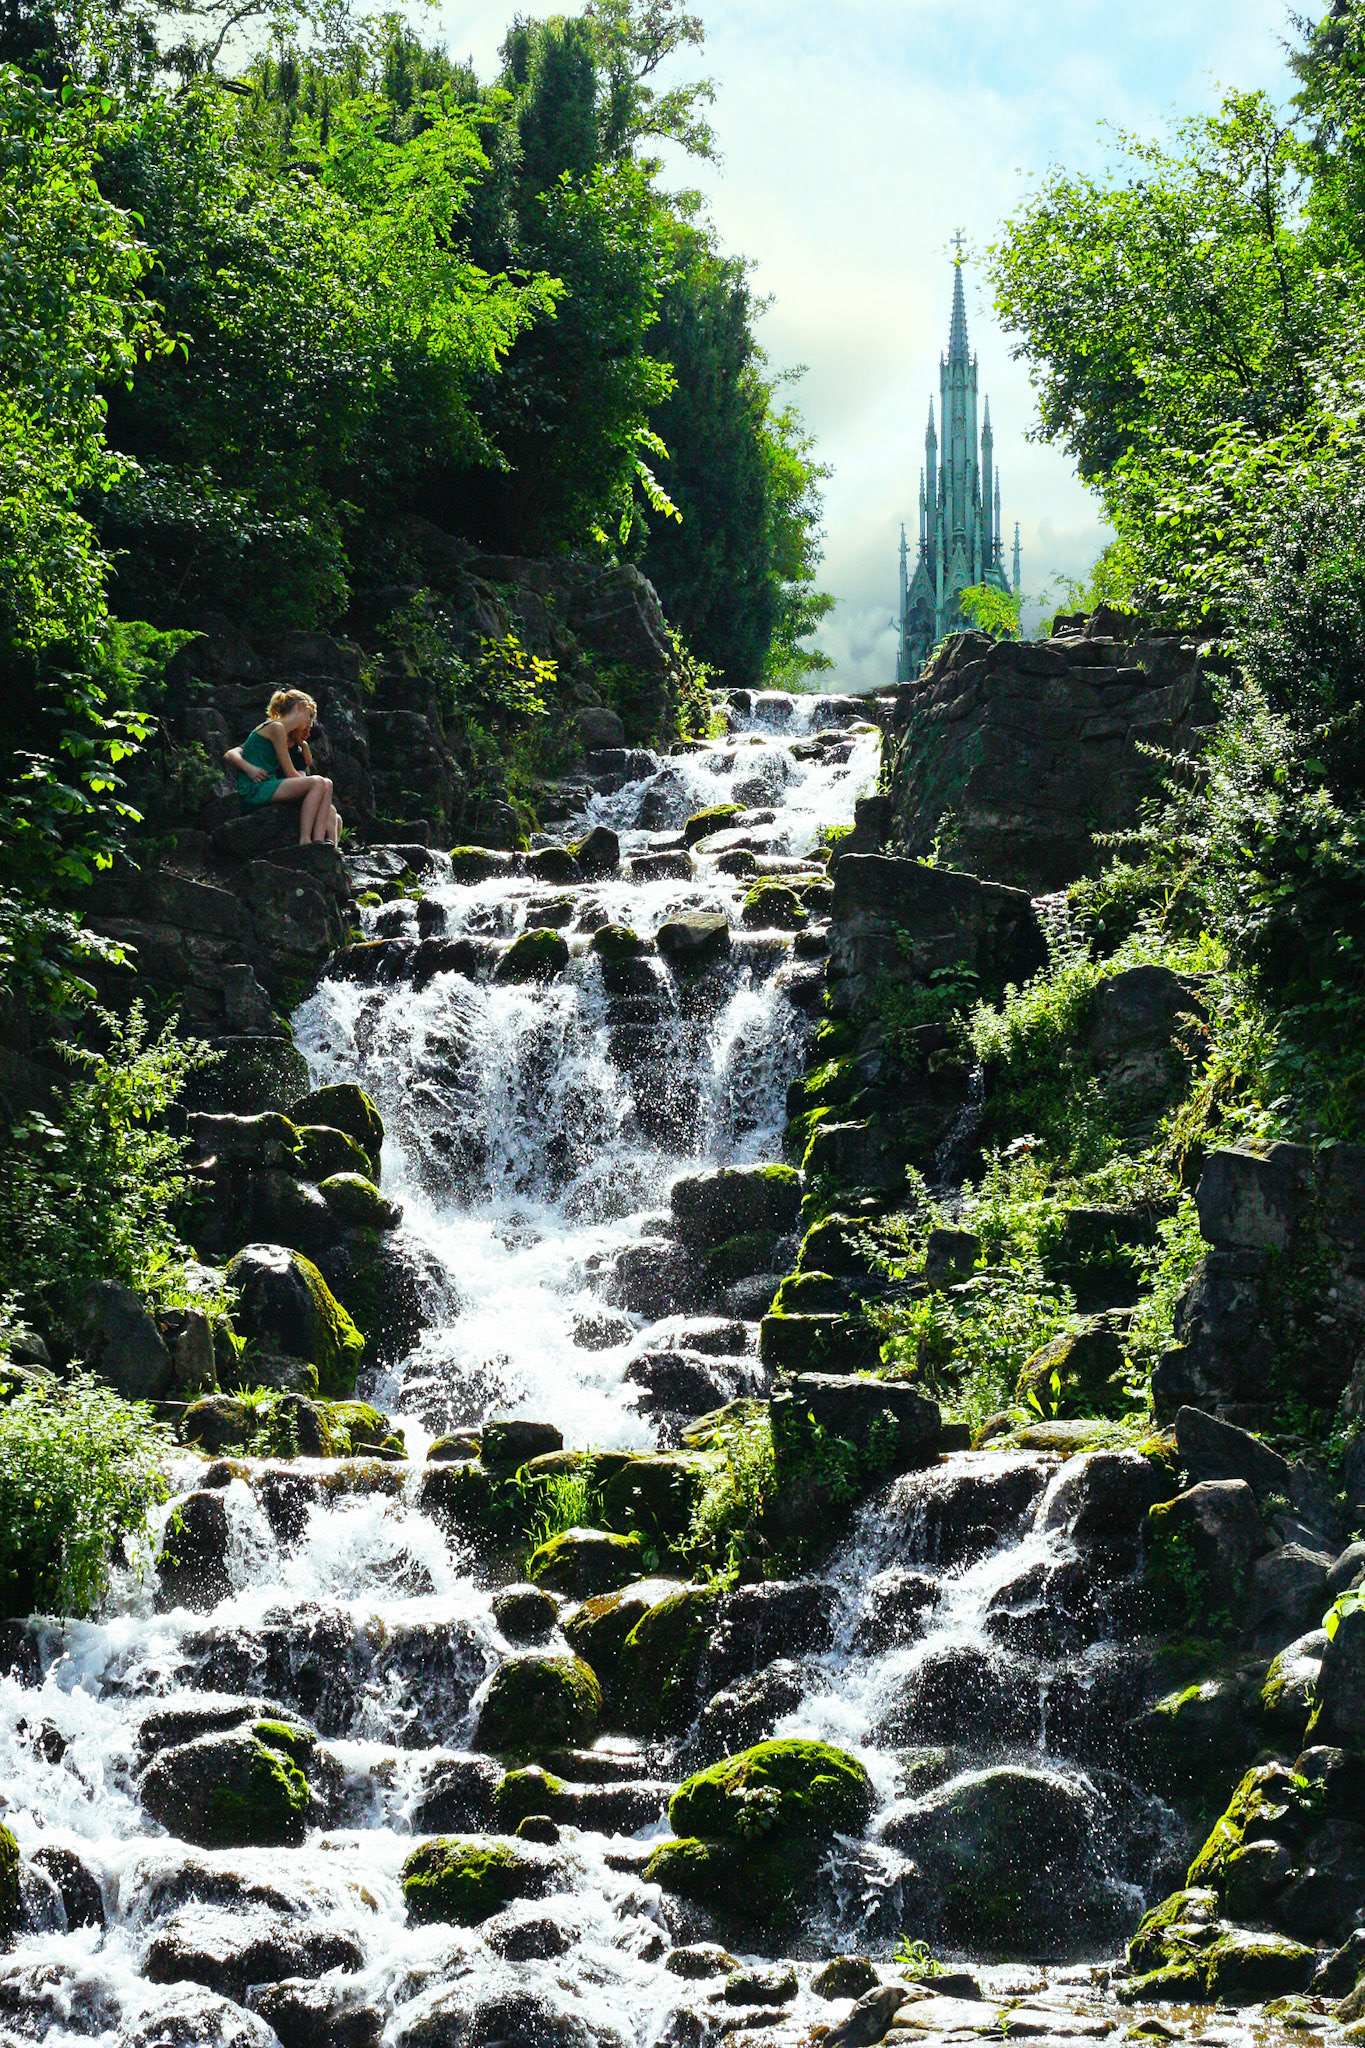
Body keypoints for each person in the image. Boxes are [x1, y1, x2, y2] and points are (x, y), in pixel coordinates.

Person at [224, 690, 342, 846]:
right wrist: (310, 785)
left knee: (327, 784)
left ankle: (319, 841)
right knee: (319, 783)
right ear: (300, 707)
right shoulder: (276, 728)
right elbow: (289, 772)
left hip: (268, 783)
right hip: (256, 788)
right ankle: (305, 839)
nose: (309, 723)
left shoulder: (282, 731)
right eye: (309, 716)